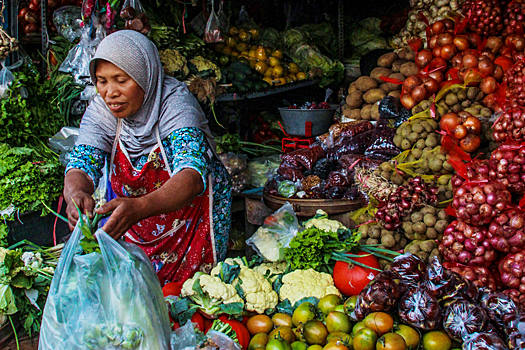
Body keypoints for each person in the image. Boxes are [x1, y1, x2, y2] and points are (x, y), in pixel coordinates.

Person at [63, 30, 232, 285]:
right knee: (137, 294)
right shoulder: (102, 111)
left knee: (191, 300)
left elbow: (191, 177)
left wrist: (140, 207)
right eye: (102, 81)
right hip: (135, 222)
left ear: (145, 76)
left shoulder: (174, 104)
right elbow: (82, 163)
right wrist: (76, 195)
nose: (110, 92)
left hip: (190, 222)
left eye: (121, 80)